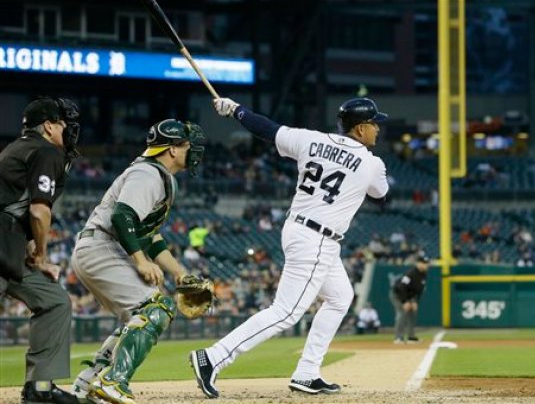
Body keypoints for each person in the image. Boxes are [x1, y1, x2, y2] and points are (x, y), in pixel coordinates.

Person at [189, 97, 390, 398]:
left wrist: (235, 110)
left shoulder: (310, 140)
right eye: (375, 124)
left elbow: (267, 128)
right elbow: (382, 197)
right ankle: (214, 357)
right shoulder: (372, 163)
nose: (378, 129)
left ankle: (307, 372)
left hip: (298, 229)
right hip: (318, 239)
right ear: (360, 129)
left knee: (340, 297)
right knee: (285, 312)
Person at [69, 119, 206, 404]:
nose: (192, 149)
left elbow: (149, 234)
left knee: (138, 318)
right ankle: (114, 382)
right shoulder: (148, 173)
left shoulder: (157, 175)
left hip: (100, 247)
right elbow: (123, 217)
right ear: (171, 150)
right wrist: (141, 262)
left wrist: (180, 273)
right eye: (186, 145)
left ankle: (86, 385)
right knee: (158, 306)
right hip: (102, 245)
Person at [0, 97, 81, 403]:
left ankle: (40, 388)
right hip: (4, 243)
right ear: (49, 126)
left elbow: (17, 207)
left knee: (54, 300)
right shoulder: (45, 150)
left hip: (10, 245)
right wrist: (42, 255)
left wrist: (33, 248)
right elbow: (38, 211)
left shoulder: (18, 147)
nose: (68, 130)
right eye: (63, 124)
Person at [391, 254, 431, 344]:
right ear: (418, 264)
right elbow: (401, 287)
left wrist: (415, 302)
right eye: (424, 263)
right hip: (398, 295)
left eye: (427, 263)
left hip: (410, 296)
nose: (426, 265)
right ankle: (398, 337)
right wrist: (405, 302)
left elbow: (419, 291)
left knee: (412, 313)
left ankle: (411, 337)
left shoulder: (423, 275)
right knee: (402, 313)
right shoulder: (411, 274)